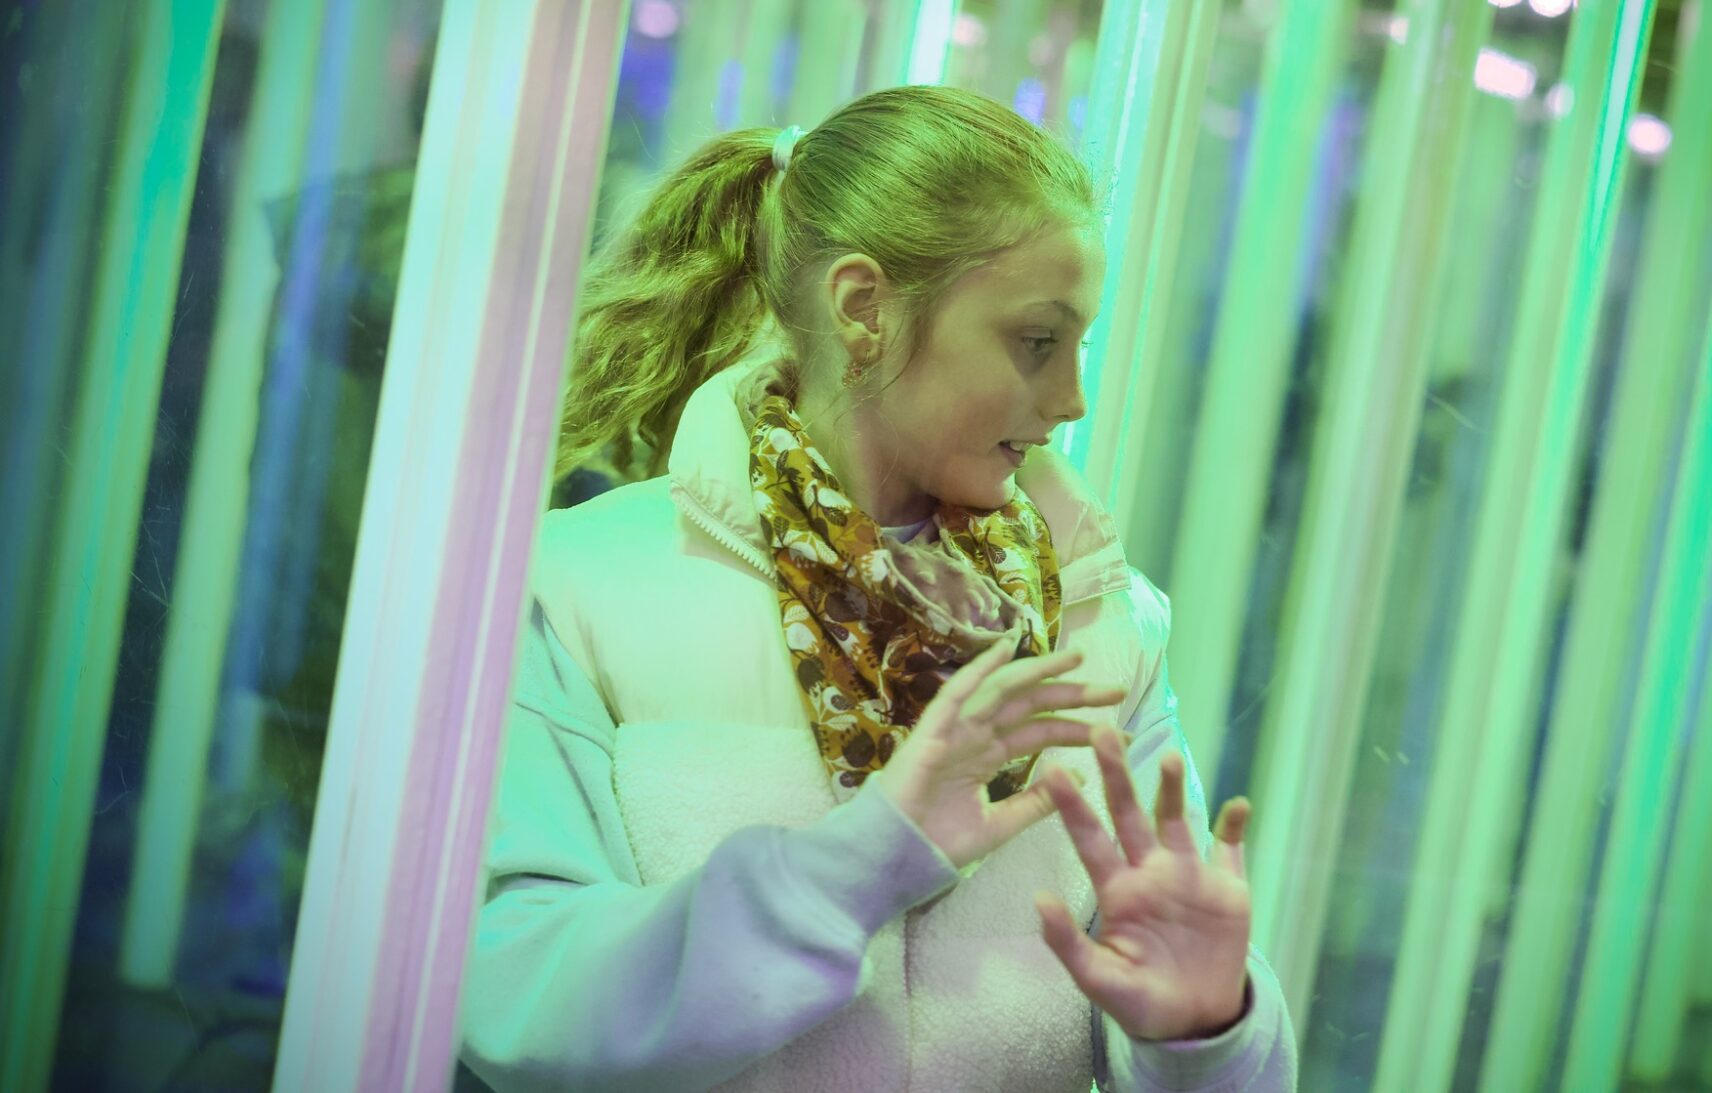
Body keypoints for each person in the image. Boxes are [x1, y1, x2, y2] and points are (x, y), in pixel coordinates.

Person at [457, 85, 1299, 1091]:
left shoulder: (1102, 617)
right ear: (863, 309)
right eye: (1038, 340)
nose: (1072, 397)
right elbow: (510, 1000)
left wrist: (1204, 1031)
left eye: (1079, 344)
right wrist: (861, 861)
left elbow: (1188, 1048)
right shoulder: (576, 585)